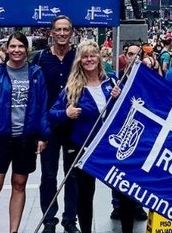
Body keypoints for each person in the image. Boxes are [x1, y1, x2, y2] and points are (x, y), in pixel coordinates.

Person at [50, 41, 129, 233]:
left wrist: (121, 97)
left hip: (112, 148)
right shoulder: (73, 88)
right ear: (79, 61)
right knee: (85, 195)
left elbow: (128, 110)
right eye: (85, 56)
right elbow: (52, 113)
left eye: (92, 55)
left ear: (99, 58)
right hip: (84, 148)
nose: (89, 60)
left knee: (124, 193)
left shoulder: (111, 81)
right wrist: (66, 114)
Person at [0, 32, 49, 233]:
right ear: (6, 49)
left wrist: (43, 135)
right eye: (13, 46)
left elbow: (42, 106)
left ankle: (14, 230)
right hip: (0, 138)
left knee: (19, 184)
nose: (16, 50)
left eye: (20, 46)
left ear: (26, 50)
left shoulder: (36, 73)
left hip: (26, 138)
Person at [32, 16, 79, 233]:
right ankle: (49, 220)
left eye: (66, 30)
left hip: (74, 125)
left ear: (72, 32)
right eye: (58, 29)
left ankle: (70, 219)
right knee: (48, 175)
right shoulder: (40, 58)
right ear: (51, 32)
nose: (62, 33)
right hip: (49, 125)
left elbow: (99, 78)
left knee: (72, 175)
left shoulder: (79, 57)